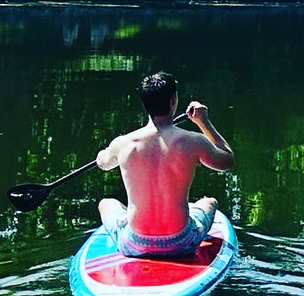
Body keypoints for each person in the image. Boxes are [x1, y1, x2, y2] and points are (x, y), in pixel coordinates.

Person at [96, 72, 235, 260]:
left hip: (136, 243)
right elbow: (227, 161)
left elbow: (102, 163)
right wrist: (204, 122)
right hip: (181, 242)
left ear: (145, 104)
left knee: (107, 204)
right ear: (173, 101)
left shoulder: (123, 144)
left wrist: (106, 152)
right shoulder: (193, 141)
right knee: (209, 203)